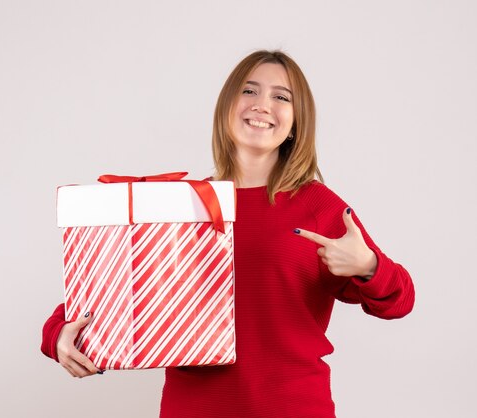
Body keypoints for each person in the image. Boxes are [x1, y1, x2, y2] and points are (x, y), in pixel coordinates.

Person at [41, 50, 415, 418]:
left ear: (298, 120)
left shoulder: (318, 206)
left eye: (281, 97)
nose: (262, 105)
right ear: (227, 106)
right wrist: (57, 333)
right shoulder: (184, 205)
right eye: (249, 91)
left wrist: (368, 266)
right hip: (192, 409)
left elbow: (400, 299)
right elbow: (114, 289)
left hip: (292, 408)